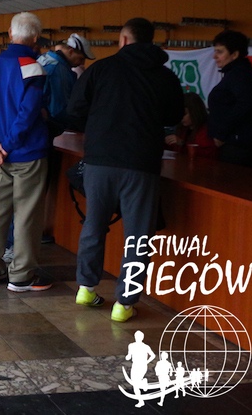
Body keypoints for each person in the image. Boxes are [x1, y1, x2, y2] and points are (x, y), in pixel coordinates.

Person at [67, 17, 184, 321]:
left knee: (94, 225)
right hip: (141, 164)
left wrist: (98, 126)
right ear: (151, 41)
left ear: (123, 40)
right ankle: (124, 304)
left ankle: (86, 287)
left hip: (99, 161)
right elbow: (174, 115)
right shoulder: (165, 76)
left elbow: (74, 108)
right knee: (138, 237)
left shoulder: (101, 69)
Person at [0, 12, 52, 292]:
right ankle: (21, 275)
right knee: (26, 214)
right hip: (27, 153)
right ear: (36, 38)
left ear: (10, 33)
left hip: (0, 155)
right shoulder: (33, 68)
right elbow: (28, 114)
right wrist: (7, 145)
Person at [36, 33, 94, 243]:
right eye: (81, 58)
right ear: (70, 51)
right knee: (37, 189)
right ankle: (32, 235)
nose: (82, 63)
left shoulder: (43, 60)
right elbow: (61, 109)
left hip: (34, 133)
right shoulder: (59, 70)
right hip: (44, 134)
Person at [207, 30, 252, 167]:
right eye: (215, 51)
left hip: (238, 145)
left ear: (234, 54)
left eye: (220, 52)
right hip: (235, 142)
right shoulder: (236, 73)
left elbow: (244, 106)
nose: (215, 56)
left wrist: (222, 133)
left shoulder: (240, 75)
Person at [165, 93, 217, 159]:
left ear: (195, 112)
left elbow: (208, 154)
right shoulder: (182, 128)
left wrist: (182, 143)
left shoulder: (206, 130)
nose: (181, 117)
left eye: (184, 114)